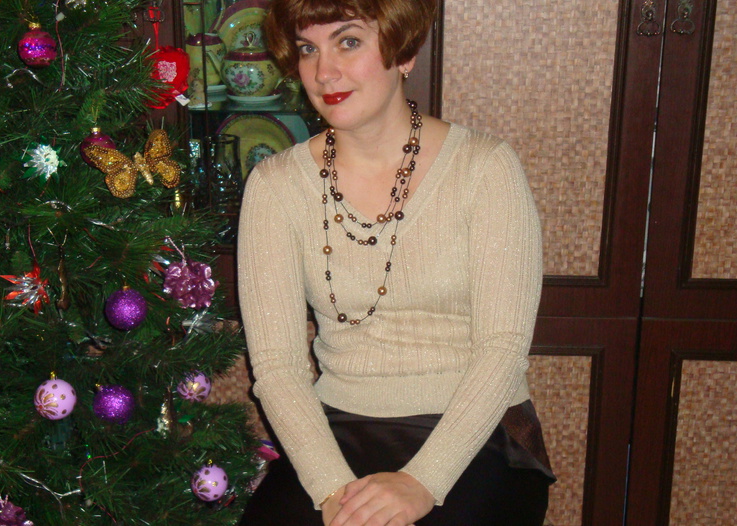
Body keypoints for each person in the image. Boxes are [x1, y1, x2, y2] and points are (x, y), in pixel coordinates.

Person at [237, 0, 555, 524]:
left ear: (404, 52)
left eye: (348, 41)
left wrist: (422, 482)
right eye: (308, 49)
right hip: (337, 429)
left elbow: (503, 350)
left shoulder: (485, 168)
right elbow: (277, 367)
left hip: (478, 431)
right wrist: (333, 492)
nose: (324, 71)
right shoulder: (275, 186)